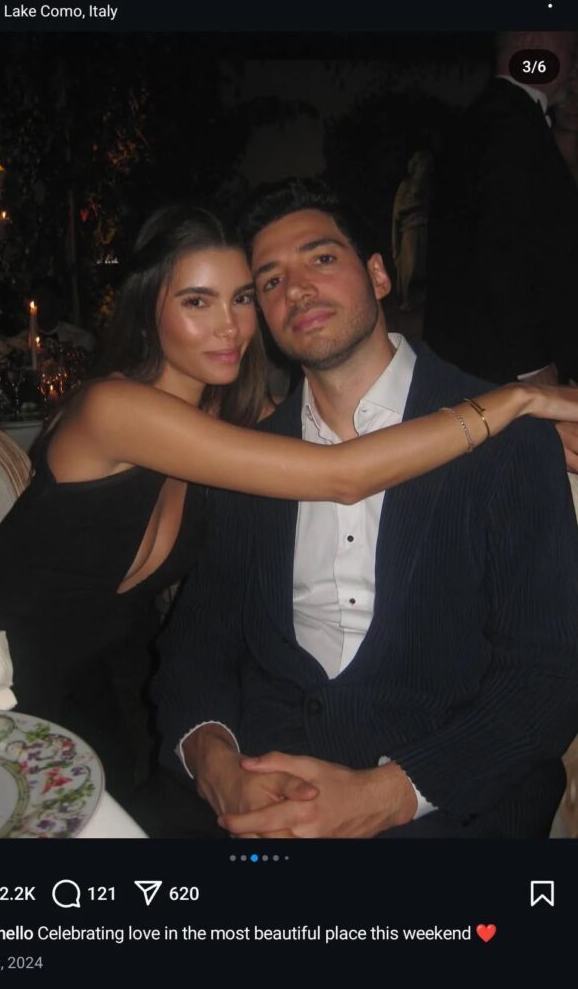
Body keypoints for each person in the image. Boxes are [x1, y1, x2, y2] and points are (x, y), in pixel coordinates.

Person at [153, 179, 578, 839]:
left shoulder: (509, 442)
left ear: (379, 275)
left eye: (321, 259)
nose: (296, 290)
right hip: (265, 790)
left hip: (450, 804)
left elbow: (549, 671)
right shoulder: (246, 461)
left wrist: (392, 794)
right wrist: (216, 763)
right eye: (270, 282)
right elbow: (200, 638)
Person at [424, 30, 578, 387]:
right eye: (571, 50)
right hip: (500, 368)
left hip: (489, 359)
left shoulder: (501, 116)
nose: (574, 66)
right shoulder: (508, 122)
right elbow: (502, 246)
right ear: (532, 47)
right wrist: (533, 364)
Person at [391, 150, 432, 313]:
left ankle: (419, 299)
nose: (424, 170)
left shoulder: (426, 188)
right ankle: (408, 299)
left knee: (422, 267)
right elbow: (398, 211)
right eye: (422, 166)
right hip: (410, 231)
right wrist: (416, 206)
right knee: (411, 266)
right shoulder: (406, 186)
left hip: (423, 228)